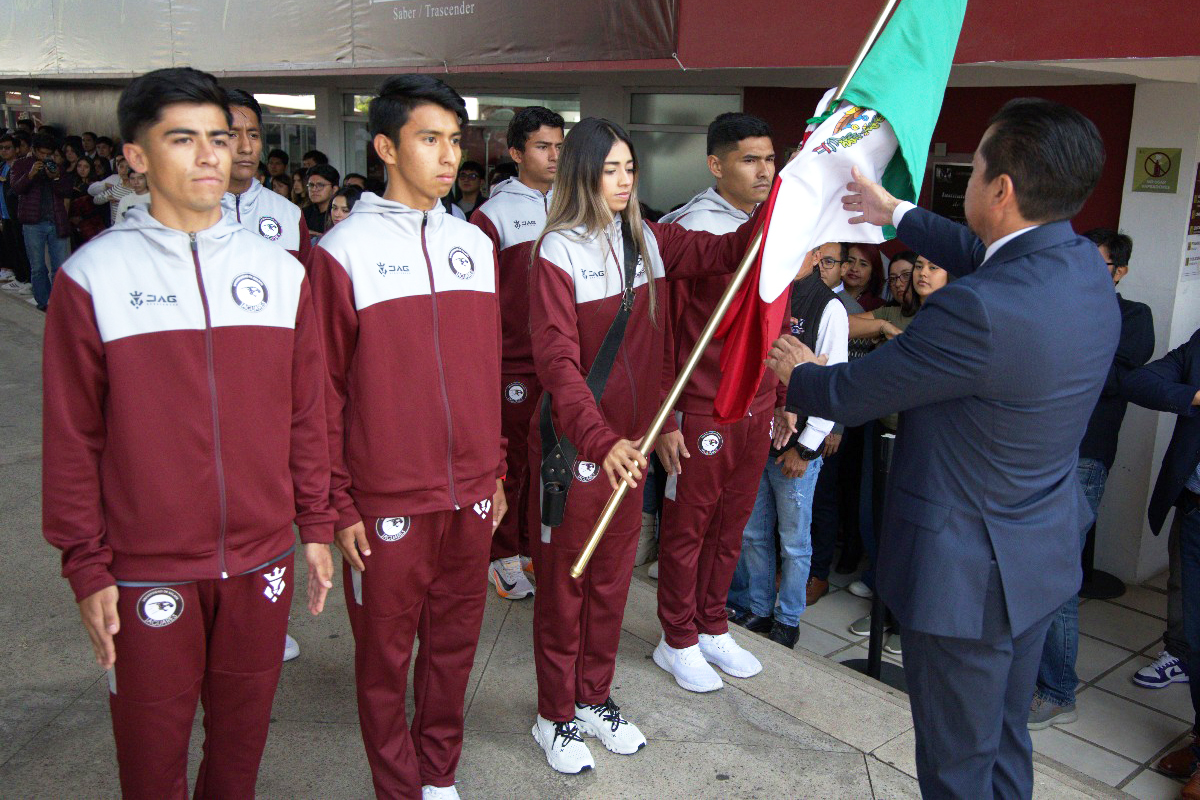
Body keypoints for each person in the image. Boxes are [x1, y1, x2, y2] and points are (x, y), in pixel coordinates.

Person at [776, 98, 1115, 798]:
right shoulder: (1082, 264)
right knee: (1000, 741)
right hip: (1034, 556)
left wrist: (798, 373)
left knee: (956, 765)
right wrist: (894, 210)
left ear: (1002, 189)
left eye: (976, 169)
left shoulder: (975, 309)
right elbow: (985, 253)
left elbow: (852, 395)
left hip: (967, 577)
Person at [41, 66, 335, 800]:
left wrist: (317, 524)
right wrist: (87, 564)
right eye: (184, 139)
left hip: (262, 556)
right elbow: (73, 439)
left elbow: (307, 412)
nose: (212, 155)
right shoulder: (91, 280)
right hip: (147, 568)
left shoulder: (282, 274)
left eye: (220, 138)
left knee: (240, 753)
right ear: (137, 156)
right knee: (151, 761)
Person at [528, 117, 757, 774]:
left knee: (609, 584)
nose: (625, 182)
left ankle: (594, 700)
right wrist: (605, 440)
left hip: (628, 452)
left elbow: (730, 251)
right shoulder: (556, 252)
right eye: (611, 170)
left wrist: (788, 202)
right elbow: (558, 366)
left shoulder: (649, 241)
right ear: (582, 174)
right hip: (577, 455)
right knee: (565, 590)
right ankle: (555, 716)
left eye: (631, 169)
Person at [307, 74, 506, 800]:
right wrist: (336, 505)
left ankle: (438, 772)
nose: (449, 155)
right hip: (385, 499)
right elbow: (319, 390)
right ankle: (396, 785)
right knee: (385, 660)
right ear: (387, 146)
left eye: (455, 140)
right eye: (431, 139)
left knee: (452, 648)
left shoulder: (473, 244)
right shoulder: (342, 250)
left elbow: (485, 370)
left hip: (471, 492)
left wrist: (497, 470)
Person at [651, 112, 778, 689]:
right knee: (689, 528)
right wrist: (667, 415)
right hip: (701, 404)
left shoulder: (767, 222)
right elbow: (664, 332)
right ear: (716, 164)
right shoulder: (690, 228)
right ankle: (676, 637)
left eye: (769, 159)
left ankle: (712, 624)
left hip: (756, 401)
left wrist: (783, 395)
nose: (763, 171)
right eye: (750, 159)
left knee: (734, 525)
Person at [1025, 229, 1154, 731]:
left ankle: (1057, 690)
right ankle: (1027, 677)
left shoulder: (1132, 317)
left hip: (1084, 457)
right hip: (1039, 451)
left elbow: (1118, 376)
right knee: (1028, 568)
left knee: (1056, 575)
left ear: (1118, 272)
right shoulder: (1057, 306)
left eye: (1095, 266)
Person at [729, 246, 848, 650]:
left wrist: (808, 447)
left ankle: (788, 618)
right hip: (757, 433)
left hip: (797, 443)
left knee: (795, 541)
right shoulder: (768, 291)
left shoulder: (829, 307)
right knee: (753, 533)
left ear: (815, 256)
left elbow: (834, 383)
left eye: (800, 246)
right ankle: (759, 610)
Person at [469, 105, 564, 602]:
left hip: (560, 363)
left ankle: (528, 547)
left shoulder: (570, 204)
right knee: (512, 466)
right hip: (513, 363)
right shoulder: (492, 216)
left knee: (548, 460)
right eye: (542, 147)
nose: (553, 156)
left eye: (558, 147)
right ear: (515, 153)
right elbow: (479, 302)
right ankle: (500, 554)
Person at [843, 254, 953, 652]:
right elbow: (846, 323)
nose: (923, 273)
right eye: (919, 266)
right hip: (884, 434)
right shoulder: (899, 312)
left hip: (931, 445)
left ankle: (910, 624)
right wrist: (885, 326)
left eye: (933, 266)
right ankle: (883, 613)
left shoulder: (957, 319)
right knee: (879, 526)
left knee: (918, 536)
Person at [806, 242, 863, 607]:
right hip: (798, 416)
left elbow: (844, 375)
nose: (821, 266)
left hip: (830, 421)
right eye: (817, 257)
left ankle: (818, 573)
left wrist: (836, 427)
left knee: (823, 499)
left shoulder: (844, 308)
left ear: (842, 268)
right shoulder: (802, 296)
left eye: (829, 261)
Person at [220, 89, 313, 263]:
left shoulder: (289, 214)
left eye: (253, 135)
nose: (246, 147)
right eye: (232, 134)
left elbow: (304, 286)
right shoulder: (186, 213)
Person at [9, 131, 73, 310]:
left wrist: (56, 177)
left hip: (56, 220)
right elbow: (16, 188)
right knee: (37, 266)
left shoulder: (57, 166)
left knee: (59, 266)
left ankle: (59, 303)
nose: (45, 157)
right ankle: (43, 302)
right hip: (32, 222)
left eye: (49, 154)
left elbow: (67, 190)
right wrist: (30, 175)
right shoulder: (21, 164)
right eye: (42, 153)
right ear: (34, 150)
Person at [0, 134, 32, 292]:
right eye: (1, 148)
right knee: (12, 246)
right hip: (5, 215)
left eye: (8, 148)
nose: (4, 151)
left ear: (17, 149)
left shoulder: (20, 167)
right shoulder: (2, 166)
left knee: (22, 247)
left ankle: (28, 279)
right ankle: (20, 276)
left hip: (18, 214)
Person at [67, 156, 106, 246]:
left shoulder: (97, 185)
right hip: (75, 226)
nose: (82, 169)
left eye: (86, 167)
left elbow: (100, 207)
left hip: (93, 225)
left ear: (91, 168)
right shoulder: (73, 183)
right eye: (79, 166)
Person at [89, 154, 134, 225]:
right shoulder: (115, 188)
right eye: (121, 167)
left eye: (128, 167)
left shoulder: (137, 191)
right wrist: (107, 198)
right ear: (117, 169)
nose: (124, 170)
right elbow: (95, 200)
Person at [842, 242, 885, 311]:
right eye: (850, 261)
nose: (854, 269)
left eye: (863, 264)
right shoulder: (826, 293)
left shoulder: (879, 307)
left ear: (873, 272)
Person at [302, 163, 339, 236]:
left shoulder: (339, 214)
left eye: (320, 185)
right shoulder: (304, 213)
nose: (314, 189)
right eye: (311, 185)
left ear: (334, 189)